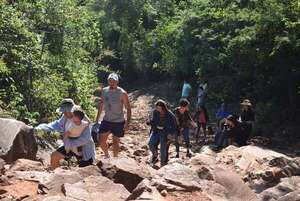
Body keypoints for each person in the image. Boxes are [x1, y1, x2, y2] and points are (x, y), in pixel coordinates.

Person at [35, 98, 95, 170]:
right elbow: (56, 125)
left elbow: (86, 138)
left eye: (67, 111)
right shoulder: (65, 117)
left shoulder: (82, 118)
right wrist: (40, 127)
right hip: (70, 144)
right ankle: (56, 177)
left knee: (85, 169)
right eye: (64, 112)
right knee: (54, 156)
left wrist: (70, 144)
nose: (65, 113)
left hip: (84, 147)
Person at [95, 73, 131, 158]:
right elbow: (101, 104)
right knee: (101, 141)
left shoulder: (122, 93)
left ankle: (115, 159)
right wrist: (97, 119)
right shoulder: (104, 91)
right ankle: (107, 156)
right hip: (107, 120)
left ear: (117, 82)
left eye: (113, 81)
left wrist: (127, 123)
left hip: (118, 121)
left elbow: (128, 108)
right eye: (110, 81)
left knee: (116, 142)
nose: (111, 83)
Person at [148, 99, 177, 167]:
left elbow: (174, 125)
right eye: (156, 107)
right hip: (156, 131)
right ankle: (155, 155)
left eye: (158, 107)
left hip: (165, 133)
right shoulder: (155, 112)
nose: (157, 108)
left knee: (163, 150)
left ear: (162, 107)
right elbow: (153, 121)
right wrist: (149, 122)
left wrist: (171, 133)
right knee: (150, 144)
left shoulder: (169, 114)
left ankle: (162, 165)